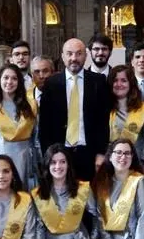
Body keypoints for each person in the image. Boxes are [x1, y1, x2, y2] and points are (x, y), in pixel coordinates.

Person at [39, 38, 110, 181]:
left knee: (88, 199)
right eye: (69, 54)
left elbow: (103, 122)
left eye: (79, 54)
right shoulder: (51, 83)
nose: (74, 58)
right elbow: (45, 124)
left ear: (86, 56)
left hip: (89, 153)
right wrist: (49, 154)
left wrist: (101, 153)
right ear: (63, 56)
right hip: (59, 154)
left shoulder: (98, 82)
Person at [0, 64, 41, 190]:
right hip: (1, 157)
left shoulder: (30, 106)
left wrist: (39, 162)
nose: (9, 82)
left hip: (26, 159)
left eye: (14, 78)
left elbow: (36, 139)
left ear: (19, 82)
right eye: (6, 78)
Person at [108, 64, 144, 180]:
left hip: (137, 168)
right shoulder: (105, 109)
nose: (119, 84)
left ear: (131, 84)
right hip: (110, 169)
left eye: (124, 80)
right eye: (115, 80)